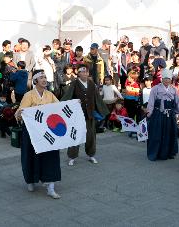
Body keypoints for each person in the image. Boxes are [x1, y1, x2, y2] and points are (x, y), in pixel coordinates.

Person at [14, 69, 61, 199]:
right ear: (35, 81)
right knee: (31, 156)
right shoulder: (28, 95)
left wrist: (73, 105)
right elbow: (21, 111)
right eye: (41, 78)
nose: (44, 80)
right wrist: (19, 114)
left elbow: (59, 108)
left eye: (45, 77)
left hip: (48, 131)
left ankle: (50, 186)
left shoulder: (50, 95)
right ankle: (30, 180)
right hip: (32, 132)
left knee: (51, 157)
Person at [61, 64, 109, 166]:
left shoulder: (92, 84)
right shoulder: (74, 83)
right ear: (78, 73)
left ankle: (91, 154)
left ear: (88, 73)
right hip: (77, 115)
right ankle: (72, 156)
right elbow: (67, 97)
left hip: (90, 114)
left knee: (91, 135)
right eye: (81, 71)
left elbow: (97, 98)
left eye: (85, 71)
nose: (84, 73)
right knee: (75, 135)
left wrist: (103, 110)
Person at [146, 69, 179, 161]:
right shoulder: (155, 88)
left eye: (169, 79)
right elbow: (151, 101)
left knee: (169, 133)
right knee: (157, 133)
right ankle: (156, 153)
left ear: (171, 79)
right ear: (162, 79)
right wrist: (149, 112)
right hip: (158, 114)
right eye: (165, 78)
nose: (167, 80)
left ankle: (168, 153)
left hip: (170, 115)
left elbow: (178, 102)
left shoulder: (174, 89)